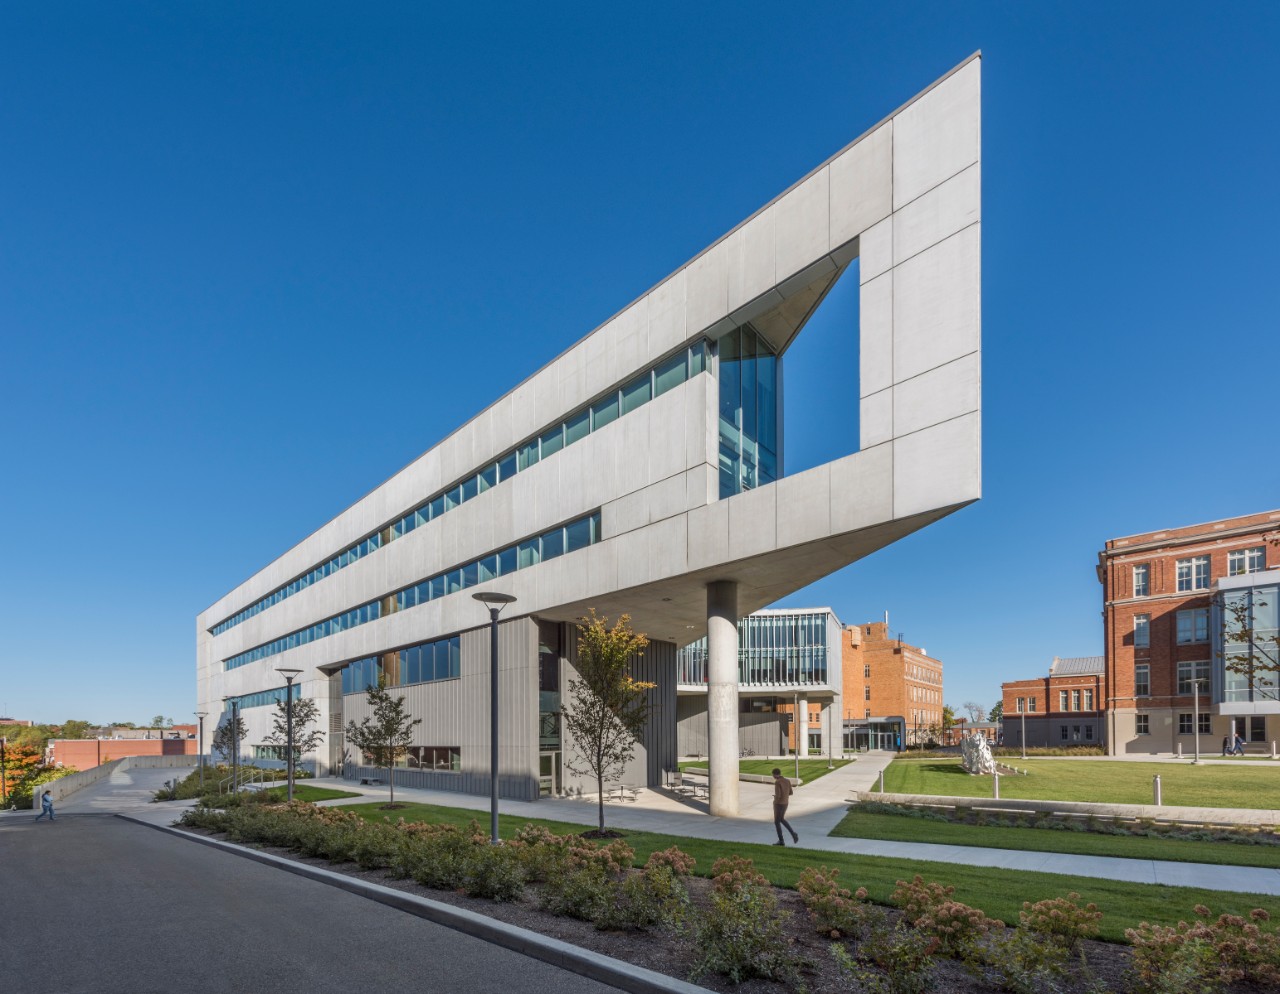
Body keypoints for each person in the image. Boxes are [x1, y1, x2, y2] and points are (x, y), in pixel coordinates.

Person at [770, 768, 798, 846]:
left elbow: (778, 796)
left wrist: (775, 799)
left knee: (777, 822)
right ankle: (793, 834)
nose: (773, 776)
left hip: (778, 804)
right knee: (781, 819)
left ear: (775, 774)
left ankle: (781, 841)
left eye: (773, 775)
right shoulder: (787, 781)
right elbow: (791, 793)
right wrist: (784, 795)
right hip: (785, 803)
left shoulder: (777, 782)